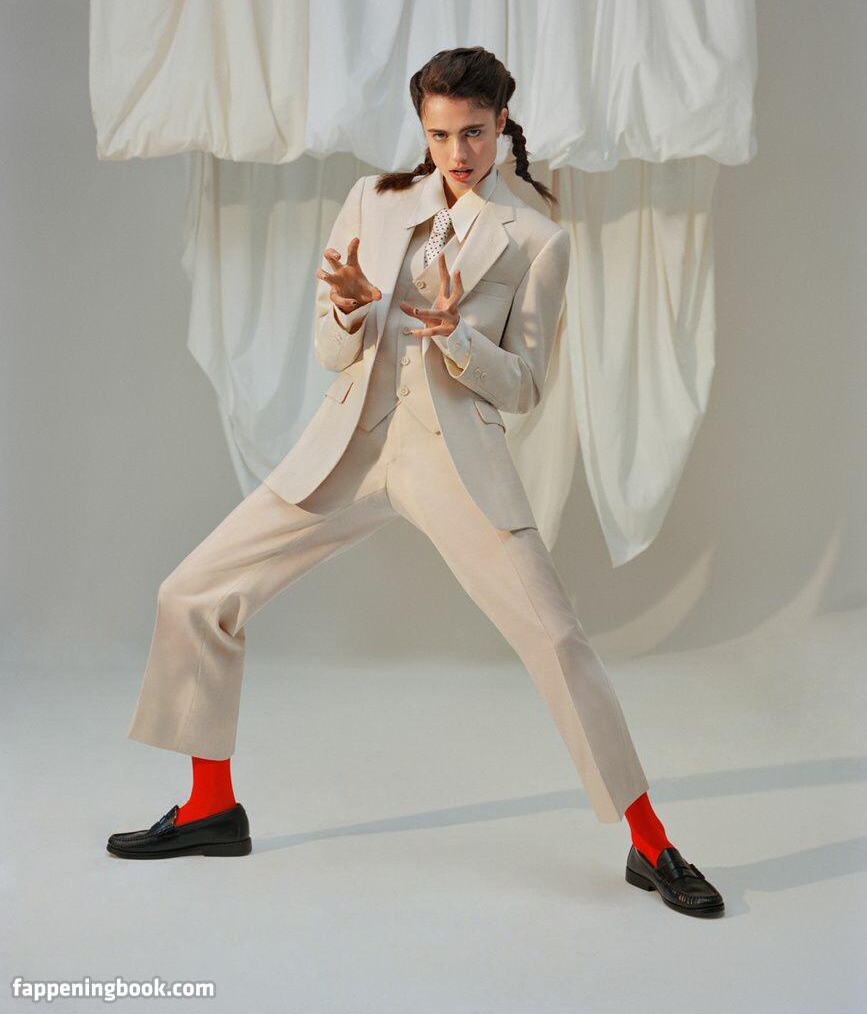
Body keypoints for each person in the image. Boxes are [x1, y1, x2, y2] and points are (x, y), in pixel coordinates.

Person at [107, 47, 724, 918]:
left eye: (472, 132)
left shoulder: (536, 239)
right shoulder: (374, 200)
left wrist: (456, 338)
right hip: (350, 450)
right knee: (193, 593)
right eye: (439, 134)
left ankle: (650, 842)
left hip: (454, 460)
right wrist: (351, 307)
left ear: (501, 124)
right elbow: (331, 348)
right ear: (422, 129)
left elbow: (526, 387)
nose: (456, 152)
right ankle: (211, 807)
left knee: (556, 638)